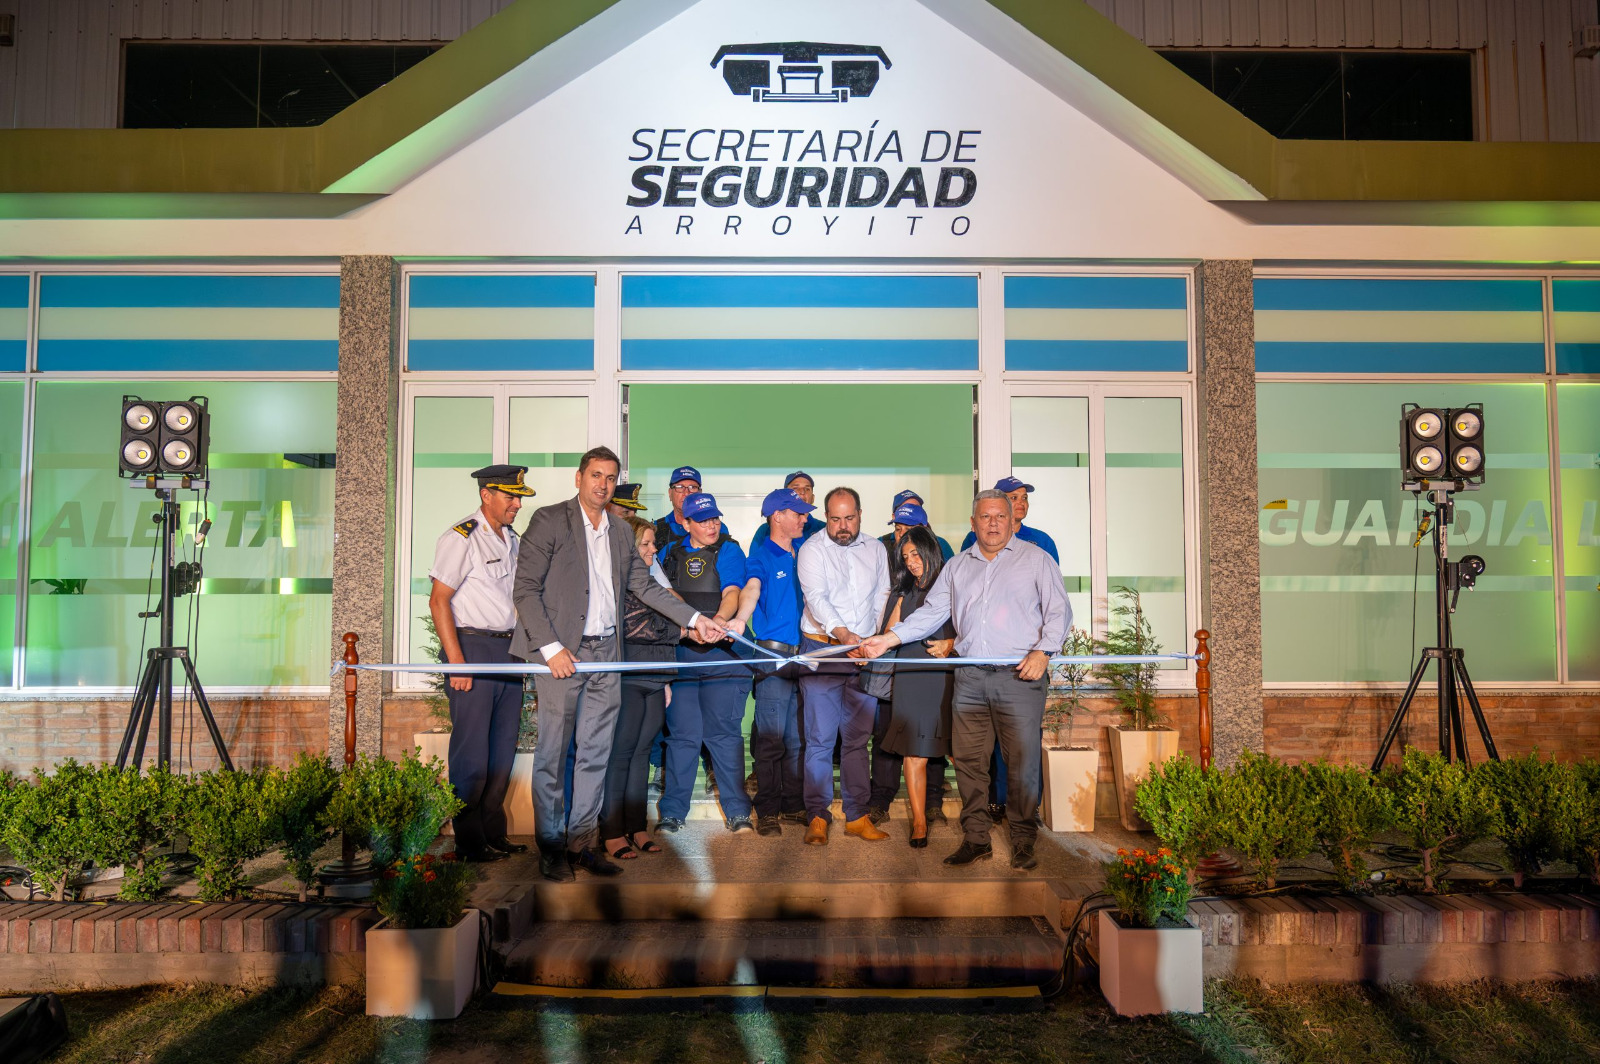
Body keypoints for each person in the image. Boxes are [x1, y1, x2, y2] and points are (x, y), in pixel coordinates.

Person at [512, 446, 723, 882]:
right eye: (596, 475)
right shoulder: (549, 520)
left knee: (595, 754)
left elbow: (646, 588)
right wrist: (551, 648)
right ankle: (550, 847)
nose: (603, 484)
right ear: (579, 478)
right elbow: (526, 589)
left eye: (610, 477)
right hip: (561, 654)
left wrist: (695, 619)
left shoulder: (622, 533)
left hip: (607, 653)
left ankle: (581, 845)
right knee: (553, 753)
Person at [856, 489, 1070, 870]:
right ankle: (976, 838)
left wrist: (1044, 652)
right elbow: (930, 613)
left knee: (1022, 763)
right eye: (985, 517)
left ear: (1011, 520)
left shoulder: (1037, 560)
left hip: (1019, 676)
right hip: (970, 676)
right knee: (969, 763)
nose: (993, 523)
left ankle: (1023, 839)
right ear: (973, 523)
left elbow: (1059, 612)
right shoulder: (957, 567)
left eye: (1000, 516)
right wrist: (887, 640)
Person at [428, 464, 535, 863]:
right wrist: (457, 662)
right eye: (510, 496)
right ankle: (469, 842)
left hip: (507, 650)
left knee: (503, 748)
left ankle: (493, 833)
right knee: (472, 752)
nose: (517, 504)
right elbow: (438, 601)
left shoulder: (512, 539)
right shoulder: (461, 537)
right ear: (486, 495)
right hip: (471, 647)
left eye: (519, 497)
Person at [796, 486, 891, 845]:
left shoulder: (877, 549)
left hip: (863, 654)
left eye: (849, 518)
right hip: (823, 651)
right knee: (819, 740)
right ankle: (817, 816)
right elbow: (816, 598)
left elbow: (883, 595)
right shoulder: (812, 549)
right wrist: (843, 635)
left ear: (860, 514)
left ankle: (857, 816)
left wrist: (873, 639)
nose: (842, 526)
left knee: (857, 741)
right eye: (835, 519)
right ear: (826, 517)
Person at [657, 491, 755, 833]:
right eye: (702, 520)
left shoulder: (729, 549)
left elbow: (732, 591)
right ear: (685, 523)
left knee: (724, 736)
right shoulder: (668, 552)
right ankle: (672, 812)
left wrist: (717, 622)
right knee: (682, 737)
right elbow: (665, 595)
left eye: (714, 518)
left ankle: (738, 811)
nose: (712, 525)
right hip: (683, 653)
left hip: (723, 654)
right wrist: (692, 625)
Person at [732, 487, 815, 835]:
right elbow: (751, 589)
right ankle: (767, 809)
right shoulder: (761, 557)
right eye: (797, 513)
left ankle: (793, 805)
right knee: (770, 739)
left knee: (798, 738)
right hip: (773, 656)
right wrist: (740, 619)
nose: (804, 518)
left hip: (806, 655)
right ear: (777, 516)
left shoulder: (806, 552)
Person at [598, 519, 679, 861]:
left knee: (642, 754)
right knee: (621, 755)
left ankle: (636, 826)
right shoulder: (617, 581)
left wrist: (667, 680)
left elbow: (666, 619)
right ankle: (611, 831)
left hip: (656, 677)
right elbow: (638, 626)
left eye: (652, 543)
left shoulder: (652, 579)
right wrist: (681, 629)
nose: (653, 549)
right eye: (645, 544)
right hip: (628, 678)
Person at [874, 526, 956, 848]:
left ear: (930, 550)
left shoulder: (951, 583)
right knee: (913, 752)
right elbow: (890, 631)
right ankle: (919, 821)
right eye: (906, 556)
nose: (911, 562)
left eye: (916, 554)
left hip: (944, 677)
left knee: (958, 749)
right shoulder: (903, 589)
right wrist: (870, 646)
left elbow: (973, 626)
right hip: (910, 675)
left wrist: (952, 643)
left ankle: (976, 816)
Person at [959, 477, 1059, 562]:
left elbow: (1051, 577)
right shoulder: (975, 536)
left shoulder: (1042, 540)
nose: (1021, 503)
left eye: (1024, 498)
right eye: (1014, 498)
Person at [749, 471, 824, 550]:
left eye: (807, 489)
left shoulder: (823, 529)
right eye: (795, 488)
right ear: (785, 495)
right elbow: (756, 556)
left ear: (813, 498)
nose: (802, 492)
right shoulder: (765, 530)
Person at [878, 491, 954, 561]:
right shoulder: (881, 545)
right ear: (894, 516)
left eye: (916, 509)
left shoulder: (940, 544)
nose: (910, 511)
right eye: (905, 508)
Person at [653, 465, 701, 555]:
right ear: (670, 493)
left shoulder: (715, 528)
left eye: (692, 487)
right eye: (680, 487)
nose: (686, 493)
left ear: (700, 493)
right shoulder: (654, 529)